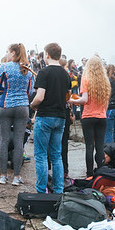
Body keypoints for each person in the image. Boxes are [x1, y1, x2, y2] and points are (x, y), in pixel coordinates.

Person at [31, 42, 71, 194]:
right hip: (60, 117)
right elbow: (67, 97)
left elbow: (39, 97)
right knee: (56, 155)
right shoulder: (66, 74)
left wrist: (32, 105)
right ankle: (59, 190)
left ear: (47, 55)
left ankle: (41, 191)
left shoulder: (44, 72)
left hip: (45, 116)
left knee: (41, 155)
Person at [0, 43, 34, 185]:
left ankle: (3, 175)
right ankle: (17, 176)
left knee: (4, 140)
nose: (6, 54)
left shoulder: (4, 67)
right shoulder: (28, 70)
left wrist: (6, 88)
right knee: (18, 142)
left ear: (13, 53)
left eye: (7, 51)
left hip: (6, 105)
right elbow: (30, 92)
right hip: (22, 106)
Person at [71, 56, 111, 176]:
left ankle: (89, 174)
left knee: (89, 146)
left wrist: (72, 100)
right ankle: (101, 172)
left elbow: (84, 99)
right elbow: (107, 103)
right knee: (100, 146)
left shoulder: (86, 79)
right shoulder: (105, 81)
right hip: (101, 116)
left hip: (88, 116)